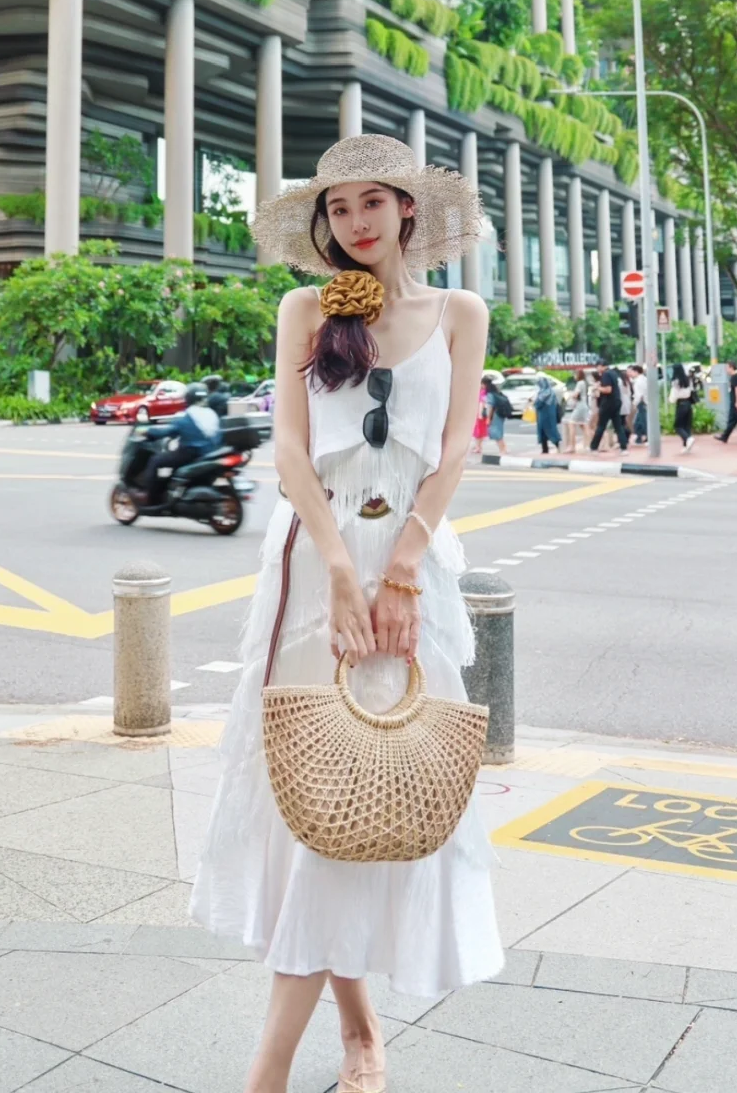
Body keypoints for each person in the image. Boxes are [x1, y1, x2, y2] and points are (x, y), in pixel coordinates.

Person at [191, 134, 502, 1093]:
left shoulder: (460, 312)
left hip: (409, 562)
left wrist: (404, 566)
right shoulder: (305, 308)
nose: (356, 222)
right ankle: (335, 1044)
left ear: (410, 211)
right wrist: (335, 568)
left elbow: (454, 452)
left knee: (380, 783)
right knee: (314, 797)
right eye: (338, 207)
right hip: (312, 560)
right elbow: (290, 452)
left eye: (375, 202)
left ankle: (291, 1063)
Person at [144, 384, 222, 497]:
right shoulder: (212, 413)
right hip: (211, 454)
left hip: (191, 454)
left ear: (188, 398)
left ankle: (151, 497)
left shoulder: (187, 415)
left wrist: (149, 431)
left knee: (155, 461)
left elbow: (168, 431)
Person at [589, 360, 628, 452]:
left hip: (607, 403)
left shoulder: (605, 374)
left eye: (597, 367)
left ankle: (593, 447)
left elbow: (608, 389)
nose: (597, 369)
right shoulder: (614, 373)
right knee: (618, 426)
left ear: (601, 366)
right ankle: (623, 447)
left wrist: (596, 387)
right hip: (616, 402)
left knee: (601, 426)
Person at [669, 361, 695, 452]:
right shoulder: (688, 379)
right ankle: (686, 446)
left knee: (678, 426)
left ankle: (687, 439)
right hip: (688, 403)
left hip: (680, 404)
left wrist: (671, 400)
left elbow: (674, 394)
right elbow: (691, 390)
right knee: (686, 425)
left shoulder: (676, 381)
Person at [533, 375, 561, 454]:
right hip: (549, 415)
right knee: (547, 431)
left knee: (548, 431)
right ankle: (545, 449)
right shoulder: (550, 391)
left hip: (545, 415)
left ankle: (552, 448)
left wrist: (534, 402)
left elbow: (538, 403)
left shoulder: (545, 393)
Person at [484, 376, 510, 456]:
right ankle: (504, 448)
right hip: (500, 414)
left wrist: (488, 417)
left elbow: (490, 407)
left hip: (495, 415)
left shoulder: (490, 394)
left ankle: (503, 450)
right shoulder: (497, 392)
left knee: (496, 433)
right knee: (499, 432)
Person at [470, 377, 490, 457]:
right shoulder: (487, 392)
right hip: (482, 414)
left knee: (478, 431)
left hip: (480, 414)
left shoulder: (483, 392)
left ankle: (478, 447)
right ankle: (478, 446)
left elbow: (482, 403)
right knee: (481, 431)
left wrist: (479, 414)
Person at [629, 364, 648, 445]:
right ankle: (639, 438)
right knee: (640, 421)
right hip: (645, 402)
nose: (630, 374)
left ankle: (645, 438)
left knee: (641, 421)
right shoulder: (644, 379)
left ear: (636, 372)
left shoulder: (638, 381)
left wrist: (634, 403)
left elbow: (639, 394)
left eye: (632, 372)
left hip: (641, 402)